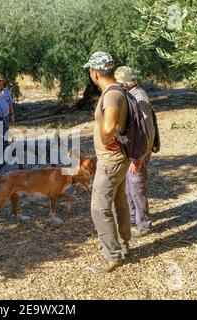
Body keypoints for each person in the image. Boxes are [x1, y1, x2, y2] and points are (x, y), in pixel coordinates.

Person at [84, 52, 131, 273]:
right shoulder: (120, 90)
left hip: (111, 161)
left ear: (94, 73)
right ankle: (124, 244)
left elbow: (110, 126)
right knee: (119, 201)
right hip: (119, 158)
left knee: (99, 208)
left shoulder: (111, 95)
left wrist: (105, 138)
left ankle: (113, 256)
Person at [115, 66, 159, 238]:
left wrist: (139, 157)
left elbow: (147, 130)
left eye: (119, 83)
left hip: (137, 154)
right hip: (133, 152)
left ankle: (144, 225)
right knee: (129, 187)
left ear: (126, 83)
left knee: (136, 187)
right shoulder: (131, 94)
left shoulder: (139, 97)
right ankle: (135, 219)